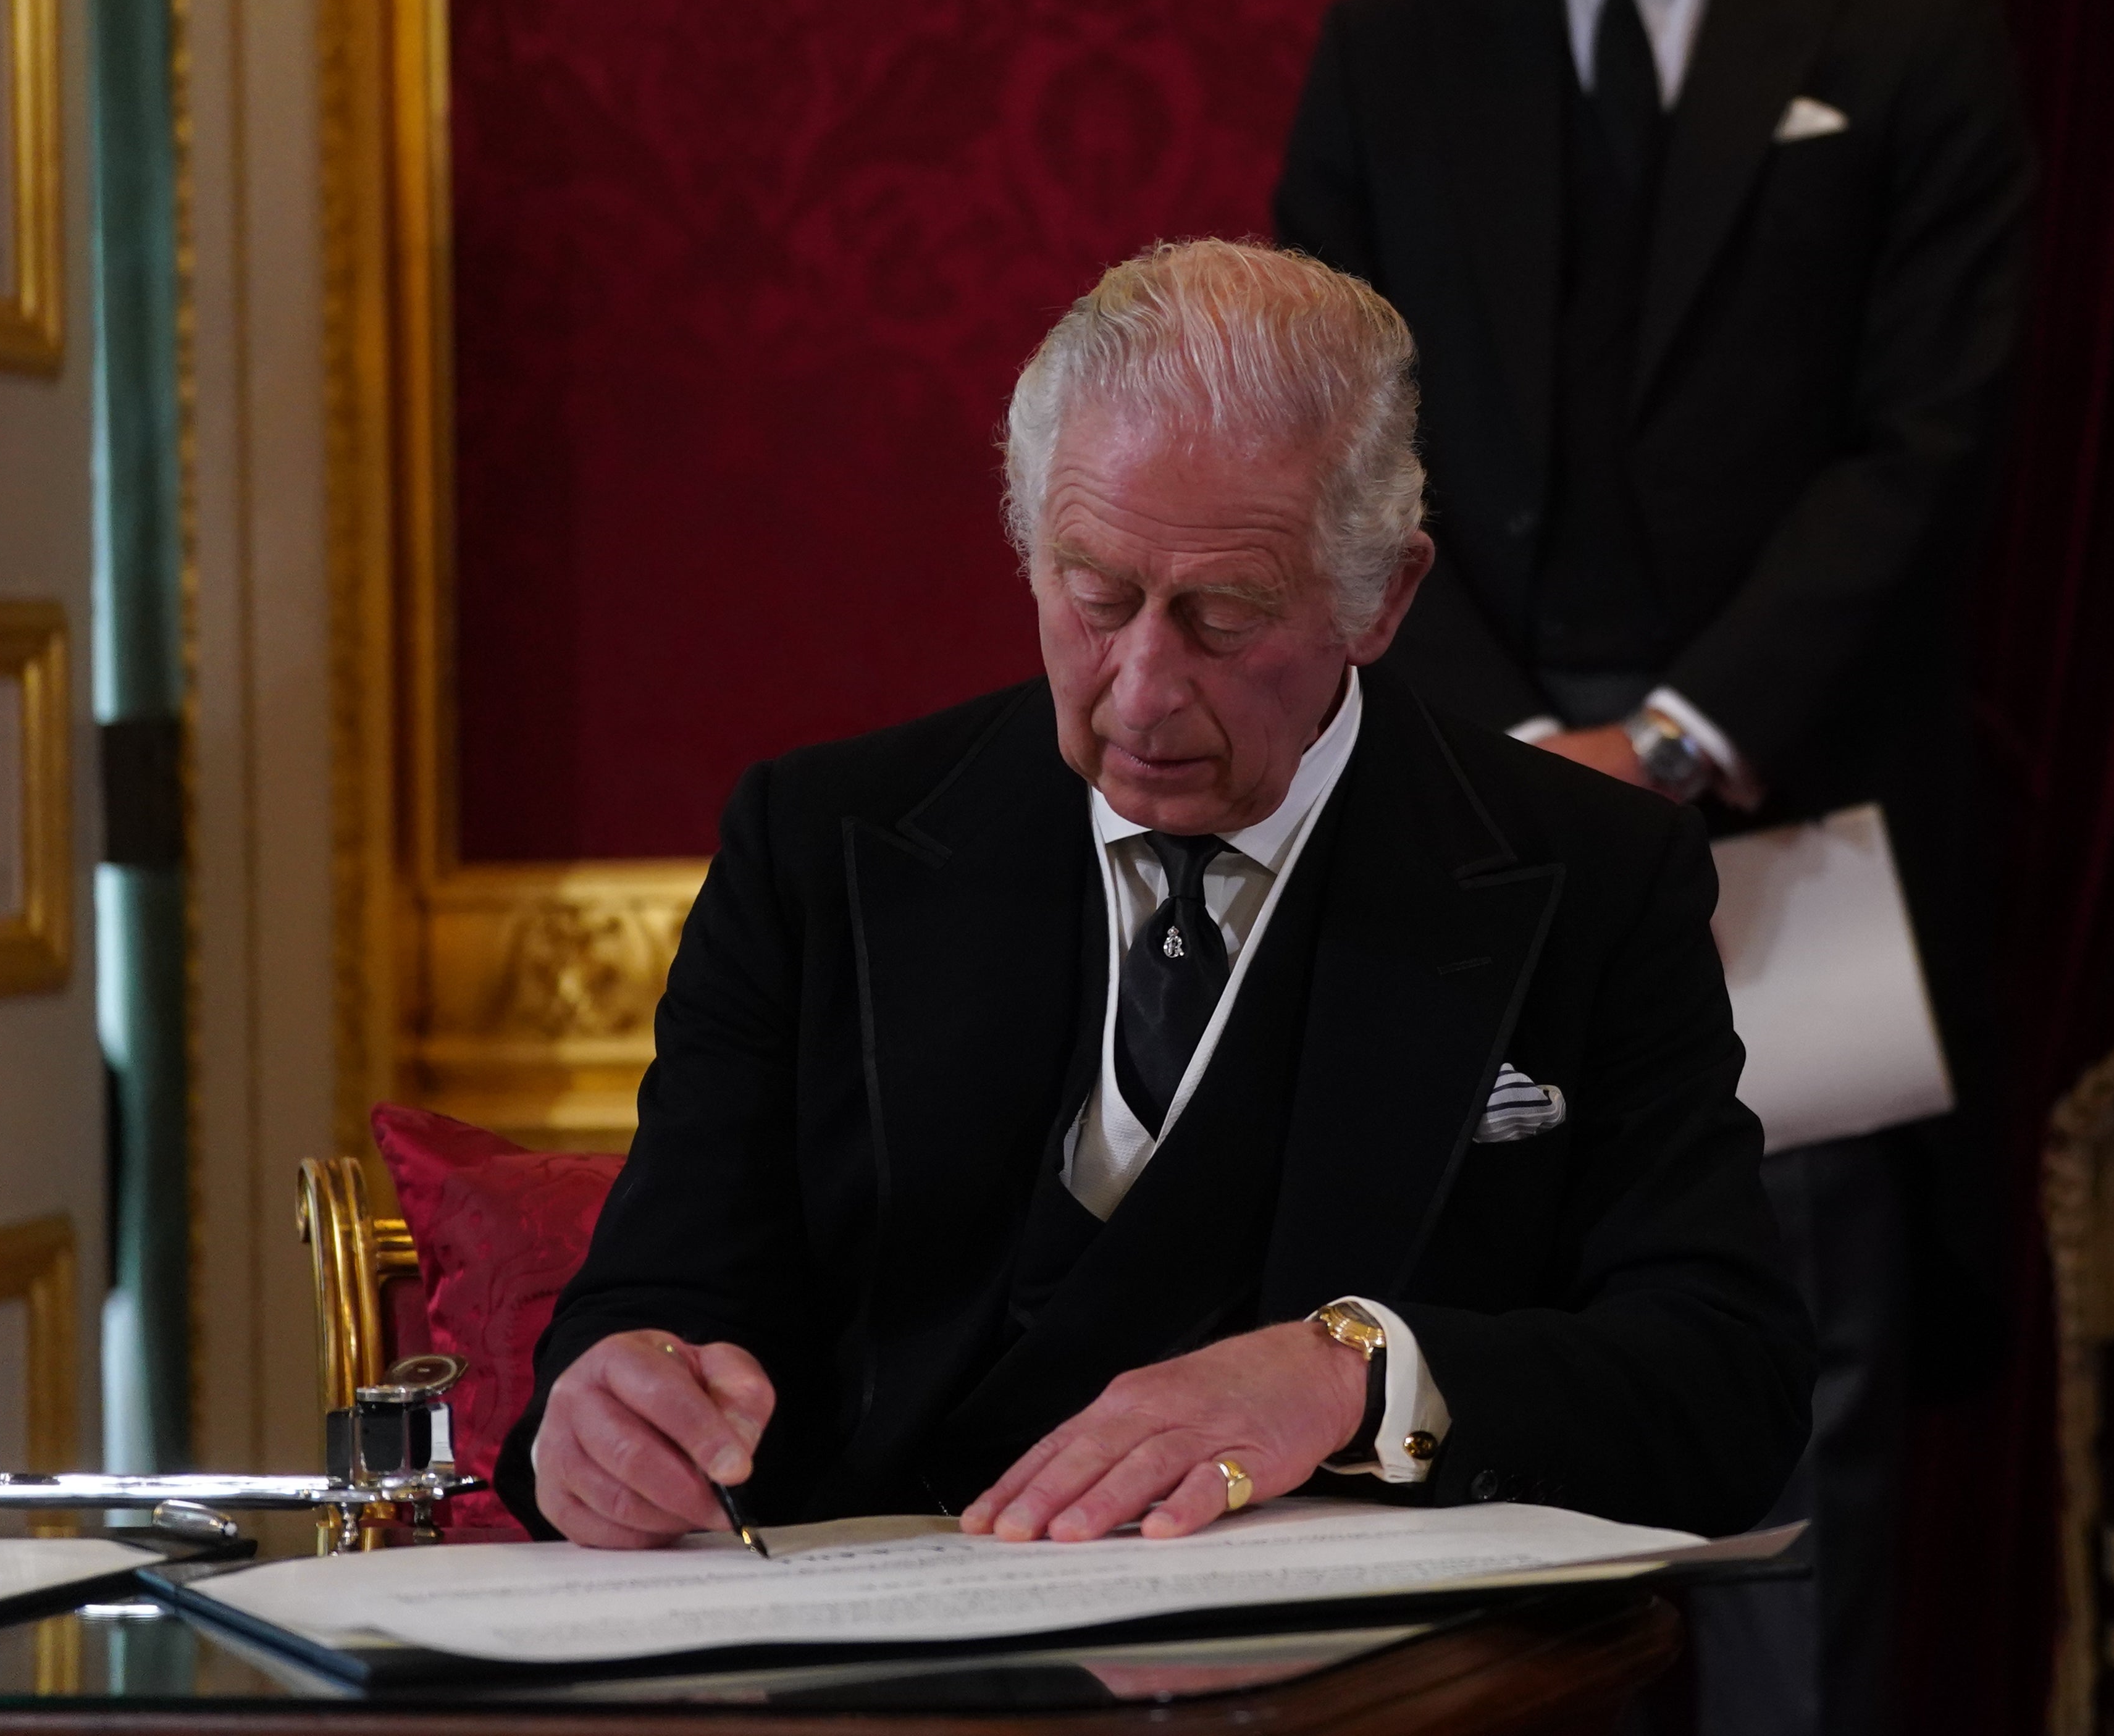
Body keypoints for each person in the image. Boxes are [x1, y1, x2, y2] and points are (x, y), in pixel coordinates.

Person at [501, 240, 1811, 1549]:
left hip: (1364, 1676)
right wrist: (607, 1415)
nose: (1140, 687)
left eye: (1224, 613)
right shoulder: (818, 843)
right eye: (1096, 592)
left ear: (1384, 595)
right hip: (885, 1652)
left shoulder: (1591, 873)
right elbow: (656, 1306)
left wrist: (1353, 1374)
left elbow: (1725, 1387)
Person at [1272, 0, 2034, 1734]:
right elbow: (1325, 465)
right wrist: (1529, 770)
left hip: (1790, 871)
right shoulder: (1394, 57)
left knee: (1799, 1464)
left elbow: (1932, 443)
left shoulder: (1908, 19)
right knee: (1453, 1459)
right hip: (1467, 863)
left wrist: (1676, 748)